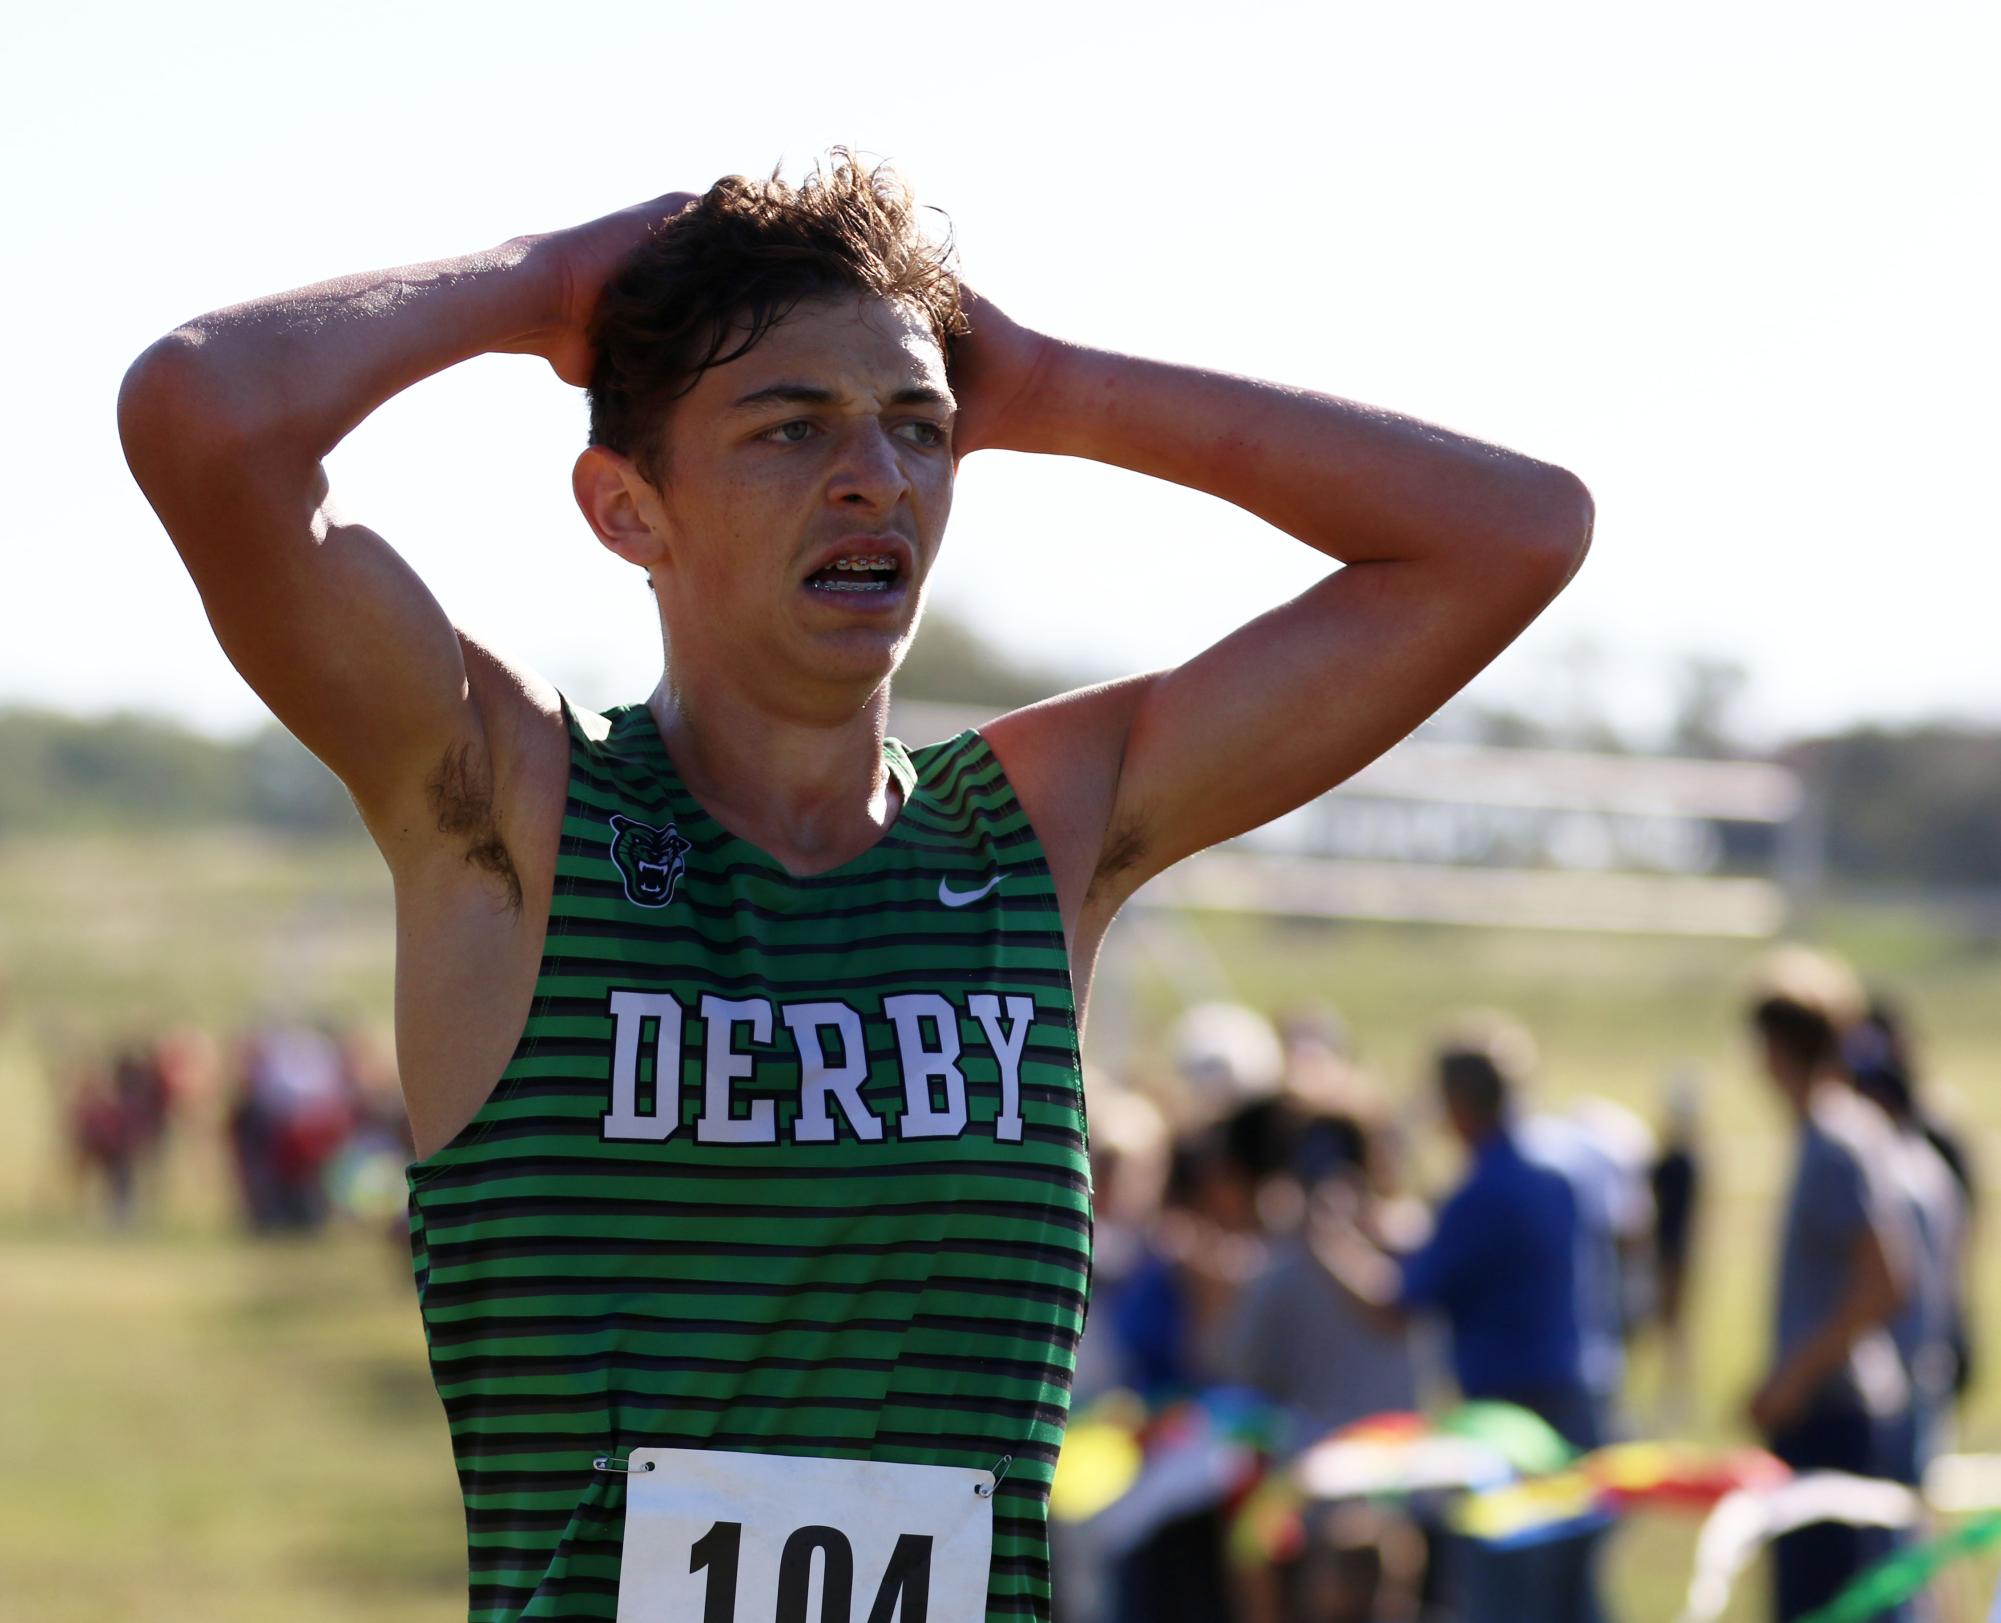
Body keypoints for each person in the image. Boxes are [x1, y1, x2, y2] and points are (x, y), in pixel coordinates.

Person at [118, 151, 1592, 1622]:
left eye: (915, 429)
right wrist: (540, 284)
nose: (873, 479)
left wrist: (1054, 384)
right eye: (788, 426)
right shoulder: (514, 812)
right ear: (628, 508)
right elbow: (204, 414)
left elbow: (1512, 532)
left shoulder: (1034, 830)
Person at [1311, 1015, 1609, 1623]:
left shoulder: (1479, 1195)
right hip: (1578, 1408)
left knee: (1506, 1599)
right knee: (1572, 1599)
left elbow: (1395, 1308)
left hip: (1507, 1423)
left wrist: (1329, 1240)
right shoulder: (1552, 1175)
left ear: (1459, 1102)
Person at [1746, 961, 1916, 1623]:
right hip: (1833, 1409)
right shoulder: (1839, 1129)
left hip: (1831, 1413)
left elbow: (1884, 1281)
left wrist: (1792, 1377)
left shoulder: (1831, 1139)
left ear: (1777, 1045)